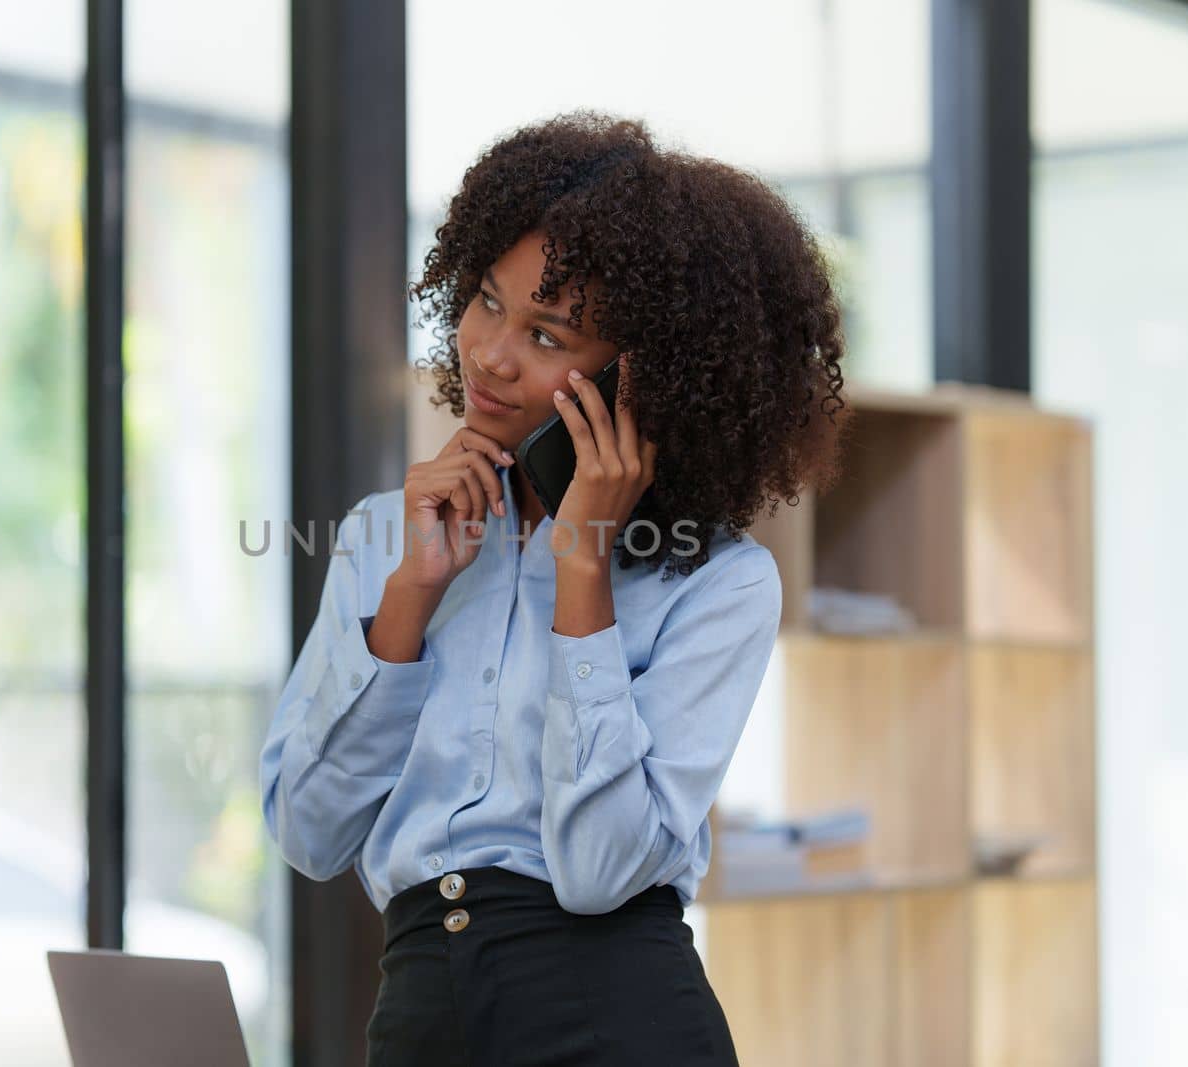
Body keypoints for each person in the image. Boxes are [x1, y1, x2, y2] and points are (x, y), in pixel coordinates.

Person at [259, 109, 850, 1066]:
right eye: (488, 302)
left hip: (622, 1018)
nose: (490, 353)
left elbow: (599, 869)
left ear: (637, 380)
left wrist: (584, 569)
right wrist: (410, 595)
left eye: (547, 333)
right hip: (422, 1013)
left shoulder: (722, 584)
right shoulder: (383, 535)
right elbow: (309, 831)